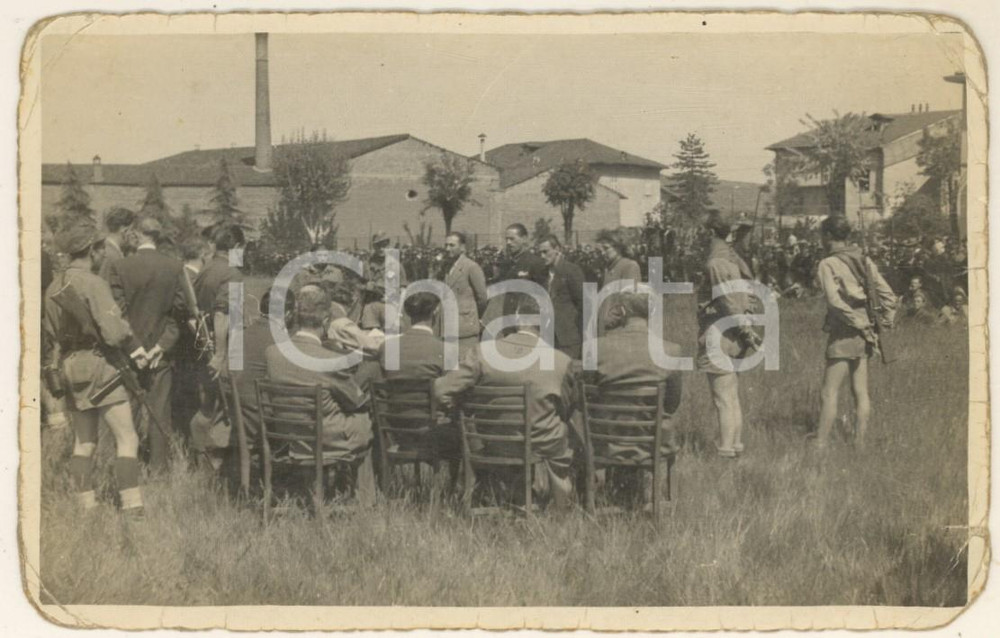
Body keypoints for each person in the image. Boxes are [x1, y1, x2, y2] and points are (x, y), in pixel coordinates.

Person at [42, 220, 147, 516]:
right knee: (127, 438)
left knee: (84, 441)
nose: (102, 254)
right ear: (91, 250)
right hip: (99, 366)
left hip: (69, 367)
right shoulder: (94, 283)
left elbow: (50, 334)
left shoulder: (53, 286)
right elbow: (114, 333)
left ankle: (86, 508)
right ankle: (132, 507)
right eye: (100, 248)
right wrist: (129, 341)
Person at [434, 295, 577, 508]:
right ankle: (558, 502)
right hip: (541, 445)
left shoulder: (482, 352)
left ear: (517, 319)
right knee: (568, 431)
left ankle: (502, 494)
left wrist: (462, 411)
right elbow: (566, 408)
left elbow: (441, 390)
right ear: (547, 322)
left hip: (491, 442)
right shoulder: (561, 362)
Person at [264, 285, 374, 500]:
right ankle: (365, 502)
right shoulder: (329, 360)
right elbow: (356, 401)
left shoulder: (272, 353)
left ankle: (311, 491)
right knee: (365, 421)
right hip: (325, 439)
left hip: (290, 437)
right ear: (325, 322)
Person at [109, 217, 188, 474]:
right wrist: (160, 347)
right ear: (158, 236)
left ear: (137, 235)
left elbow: (116, 314)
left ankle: (128, 466)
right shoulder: (174, 267)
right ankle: (159, 470)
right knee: (160, 412)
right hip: (159, 355)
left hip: (129, 353)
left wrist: (135, 348)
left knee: (126, 412)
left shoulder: (121, 266)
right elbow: (179, 314)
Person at [589, 291, 682, 507]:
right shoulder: (670, 350)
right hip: (651, 441)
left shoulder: (596, 348)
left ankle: (604, 496)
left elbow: (588, 394)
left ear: (621, 312)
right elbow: (672, 402)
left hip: (606, 440)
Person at [814, 215, 897, 448]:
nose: (821, 239)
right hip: (867, 332)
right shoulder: (864, 259)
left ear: (829, 236)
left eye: (822, 235)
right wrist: (885, 321)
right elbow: (888, 295)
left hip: (844, 331)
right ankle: (859, 444)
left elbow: (833, 302)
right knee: (860, 391)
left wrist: (855, 322)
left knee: (829, 393)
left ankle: (820, 445)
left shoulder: (827, 264)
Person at [697, 213, 758, 458]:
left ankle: (725, 453)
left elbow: (727, 301)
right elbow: (748, 296)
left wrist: (744, 329)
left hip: (720, 334)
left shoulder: (716, 263)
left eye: (703, 232)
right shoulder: (734, 261)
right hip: (734, 335)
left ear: (711, 232)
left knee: (723, 399)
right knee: (731, 396)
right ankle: (735, 446)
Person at [193, 223, 246, 380]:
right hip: (221, 347)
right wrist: (220, 355)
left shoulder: (205, 268)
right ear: (236, 247)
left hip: (203, 342)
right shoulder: (233, 273)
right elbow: (221, 314)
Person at [439, 232, 488, 358]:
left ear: (462, 247)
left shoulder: (471, 267)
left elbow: (482, 297)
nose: (447, 249)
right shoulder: (446, 267)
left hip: (465, 328)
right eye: (446, 245)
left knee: (466, 363)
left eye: (451, 245)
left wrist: (474, 316)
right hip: (447, 326)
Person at [379, 292, 446, 380]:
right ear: (435, 312)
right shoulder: (442, 349)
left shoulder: (386, 347)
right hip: (428, 392)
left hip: (395, 393)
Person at [538, 235, 584, 360]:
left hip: (567, 337)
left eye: (545, 252)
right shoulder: (542, 274)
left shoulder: (571, 270)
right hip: (548, 337)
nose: (542, 256)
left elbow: (584, 304)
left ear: (557, 249)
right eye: (540, 253)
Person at [496, 223, 547, 325]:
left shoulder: (535, 262)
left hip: (528, 322)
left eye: (512, 239)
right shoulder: (507, 264)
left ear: (524, 239)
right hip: (509, 319)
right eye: (506, 239)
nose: (508, 242)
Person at [596, 229, 642, 334]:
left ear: (618, 247)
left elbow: (629, 300)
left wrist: (609, 320)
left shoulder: (629, 266)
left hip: (618, 330)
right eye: (600, 250)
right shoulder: (608, 268)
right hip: (603, 330)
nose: (602, 253)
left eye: (606, 248)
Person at [98, 207, 136, 281]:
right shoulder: (113, 255)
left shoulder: (104, 248)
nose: (133, 234)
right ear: (124, 230)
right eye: (132, 229)